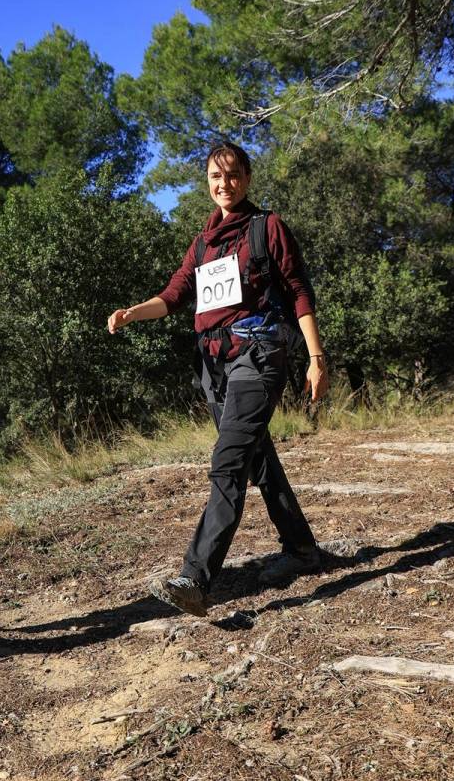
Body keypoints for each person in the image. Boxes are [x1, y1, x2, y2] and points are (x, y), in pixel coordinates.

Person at [107, 142, 329, 617]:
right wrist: (132, 314)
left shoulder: (266, 227)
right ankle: (302, 550)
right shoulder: (203, 242)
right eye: (214, 176)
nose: (223, 184)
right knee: (256, 458)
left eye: (231, 175)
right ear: (207, 182)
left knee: (228, 461)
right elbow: (173, 294)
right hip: (214, 367)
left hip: (260, 353)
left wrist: (315, 356)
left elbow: (297, 290)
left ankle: (196, 576)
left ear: (246, 178)